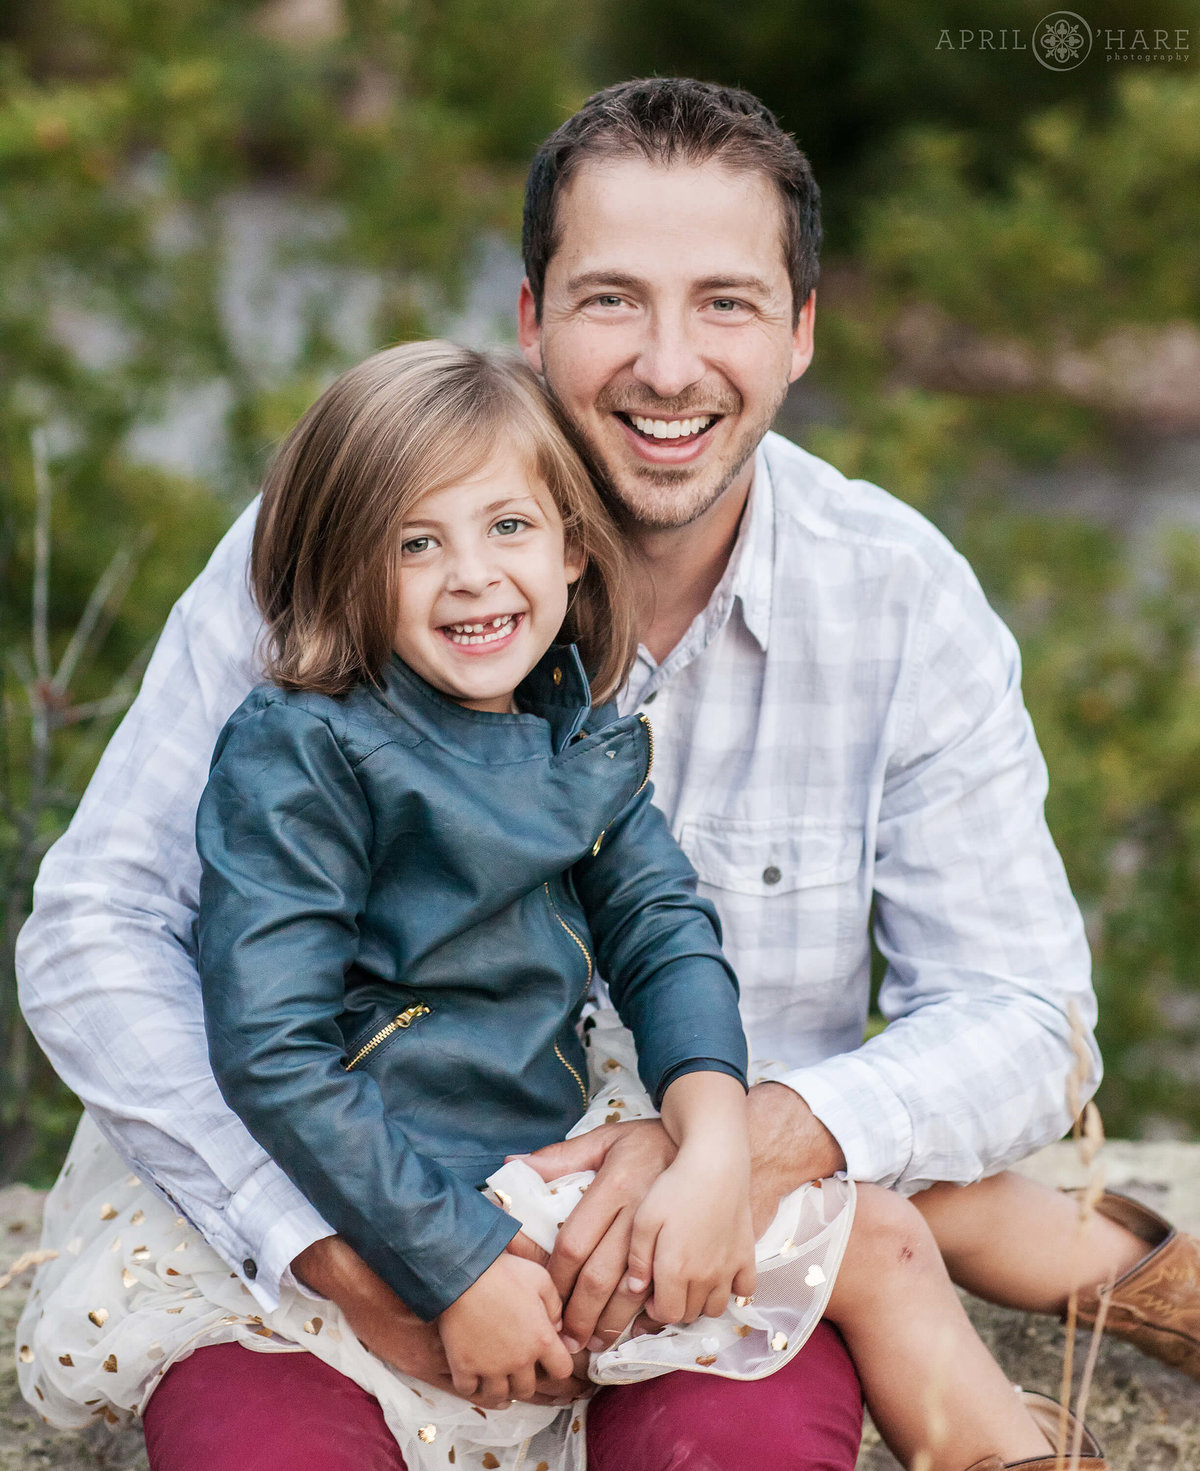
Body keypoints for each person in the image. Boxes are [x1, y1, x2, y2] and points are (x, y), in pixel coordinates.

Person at [15, 75, 1199, 1471]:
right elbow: (100, 928)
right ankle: (1089, 1259)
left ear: (804, 331)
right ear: (530, 316)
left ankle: (1072, 1331)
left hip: (692, 1246)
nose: (669, 364)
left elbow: (1025, 1010)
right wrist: (337, 1250)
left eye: (728, 302)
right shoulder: (324, 548)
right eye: (611, 298)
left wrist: (739, 1148)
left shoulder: (895, 602)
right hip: (357, 1215)